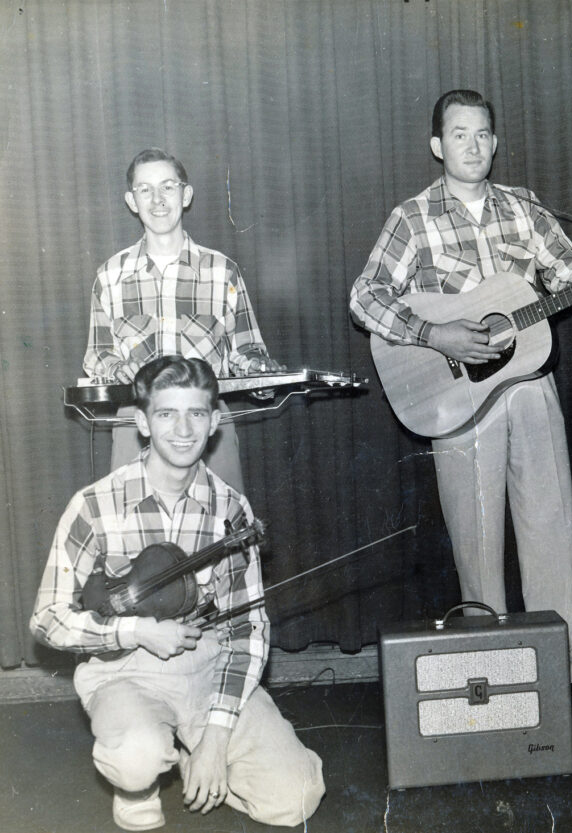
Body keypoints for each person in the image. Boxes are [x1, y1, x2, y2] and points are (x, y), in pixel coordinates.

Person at [350, 89, 572, 710]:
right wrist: (434, 333)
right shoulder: (411, 217)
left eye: (483, 134)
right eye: (459, 134)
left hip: (531, 387)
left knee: (550, 530)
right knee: (478, 545)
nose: (473, 145)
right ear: (438, 146)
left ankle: (565, 681)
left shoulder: (524, 208)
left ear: (495, 142)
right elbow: (365, 296)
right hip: (458, 400)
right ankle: (491, 689)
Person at [30, 356, 324, 831]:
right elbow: (47, 618)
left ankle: (195, 753)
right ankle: (139, 784)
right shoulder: (95, 505)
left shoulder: (231, 508)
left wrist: (214, 737)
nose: (183, 429)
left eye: (197, 413)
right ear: (143, 423)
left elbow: (248, 631)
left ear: (214, 422)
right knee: (136, 756)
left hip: (207, 667)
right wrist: (135, 631)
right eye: (167, 414)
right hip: (125, 672)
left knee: (296, 797)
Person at [83, 148, 284, 492]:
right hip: (136, 421)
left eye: (168, 187)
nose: (158, 200)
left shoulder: (223, 272)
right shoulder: (110, 276)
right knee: (135, 539)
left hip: (207, 424)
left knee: (223, 537)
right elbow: (98, 356)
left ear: (186, 194)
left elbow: (246, 352)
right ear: (132, 201)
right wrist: (119, 369)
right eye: (145, 190)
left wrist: (263, 373)